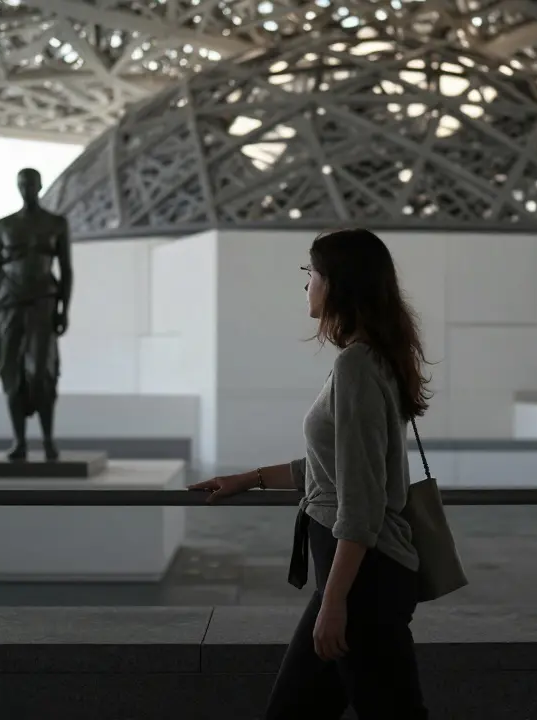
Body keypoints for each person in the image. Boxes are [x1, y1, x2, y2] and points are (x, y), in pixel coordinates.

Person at [188, 228, 430, 720]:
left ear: (337, 283)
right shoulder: (370, 360)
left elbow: (360, 503)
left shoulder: (357, 366)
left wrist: (335, 603)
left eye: (311, 273)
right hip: (359, 578)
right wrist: (249, 479)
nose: (306, 285)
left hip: (363, 582)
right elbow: (335, 469)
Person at [0, 168, 73, 460]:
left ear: (40, 186)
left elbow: (66, 269)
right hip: (7, 304)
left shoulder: (56, 224)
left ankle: (47, 440)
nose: (27, 189)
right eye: (22, 184)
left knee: (43, 372)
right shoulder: (4, 225)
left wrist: (64, 310)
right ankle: (19, 440)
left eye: (31, 184)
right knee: (10, 372)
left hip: (43, 302)